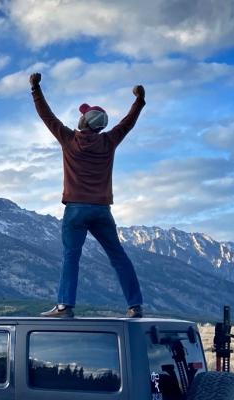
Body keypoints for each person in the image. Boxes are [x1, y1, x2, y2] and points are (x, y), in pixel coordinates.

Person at [29, 72, 146, 318]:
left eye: (82, 115)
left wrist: (35, 88)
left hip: (75, 210)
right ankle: (135, 305)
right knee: (118, 256)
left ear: (84, 123)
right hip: (102, 210)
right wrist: (139, 101)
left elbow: (46, 115)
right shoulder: (109, 141)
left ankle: (65, 306)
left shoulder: (69, 140)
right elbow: (128, 122)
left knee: (71, 256)